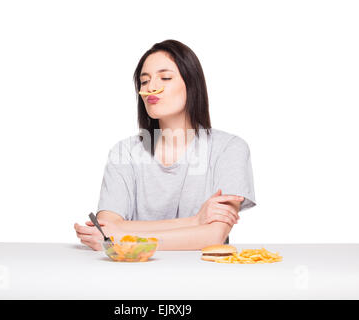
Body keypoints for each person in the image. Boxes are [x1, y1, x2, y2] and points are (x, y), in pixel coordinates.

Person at [74, 39, 256, 250]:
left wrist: (123, 236)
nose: (151, 87)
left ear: (192, 83)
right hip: (133, 273)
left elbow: (214, 235)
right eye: (144, 81)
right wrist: (194, 222)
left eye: (165, 77)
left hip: (205, 276)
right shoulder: (124, 152)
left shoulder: (229, 148)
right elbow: (107, 227)